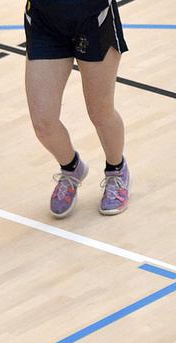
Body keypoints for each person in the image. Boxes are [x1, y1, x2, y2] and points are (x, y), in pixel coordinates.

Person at [24, 0, 131, 218]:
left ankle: (116, 170)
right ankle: (72, 168)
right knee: (43, 123)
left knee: (100, 112)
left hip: (92, 19)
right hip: (45, 21)